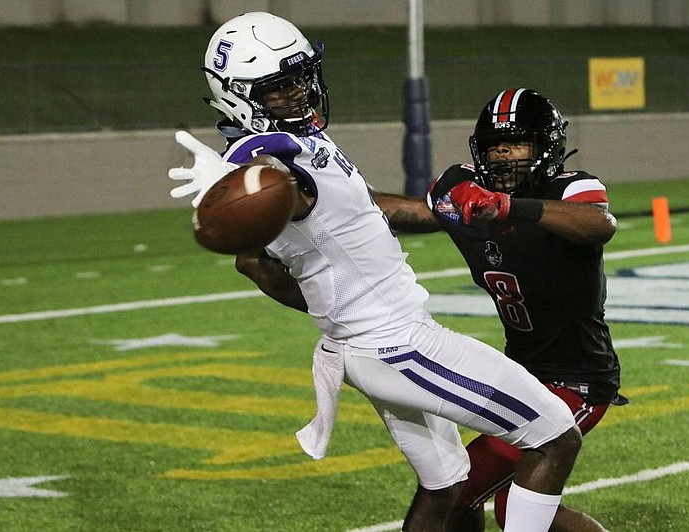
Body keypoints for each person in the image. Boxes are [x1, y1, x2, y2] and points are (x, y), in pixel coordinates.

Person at [168, 13, 583, 532]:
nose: (300, 93)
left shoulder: (294, 143)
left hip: (369, 347)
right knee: (553, 434)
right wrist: (240, 161)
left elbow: (338, 217)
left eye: (303, 76)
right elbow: (273, 182)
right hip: (398, 344)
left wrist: (448, 213)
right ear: (235, 95)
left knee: (450, 486)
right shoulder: (268, 165)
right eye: (278, 88)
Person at [373, 87, 627, 531]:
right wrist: (323, 199)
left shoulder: (570, 188)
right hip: (522, 375)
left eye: (516, 143)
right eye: (493, 146)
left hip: (579, 379)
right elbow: (414, 212)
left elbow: (598, 224)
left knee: (486, 499)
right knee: (463, 496)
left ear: (546, 146)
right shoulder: (466, 191)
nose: (503, 154)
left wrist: (509, 207)